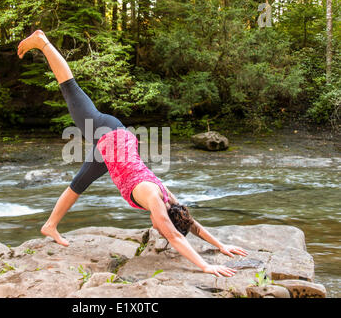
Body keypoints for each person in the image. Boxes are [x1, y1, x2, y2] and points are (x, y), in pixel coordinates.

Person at [18, 30, 248, 278]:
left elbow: (191, 223)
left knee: (79, 184)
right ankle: (43, 42)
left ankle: (50, 225)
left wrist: (221, 245)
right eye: (161, 226)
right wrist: (206, 266)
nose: (158, 229)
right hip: (109, 133)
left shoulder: (168, 198)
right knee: (70, 89)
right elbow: (173, 235)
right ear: (164, 219)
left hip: (114, 148)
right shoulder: (157, 204)